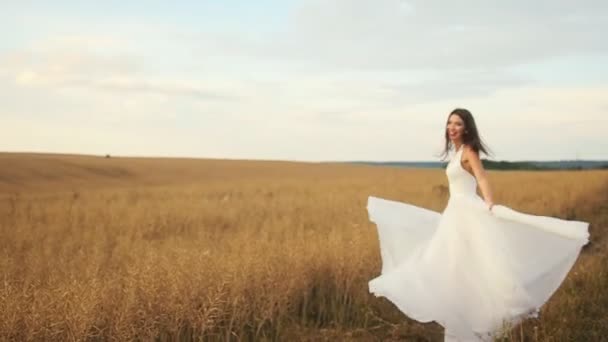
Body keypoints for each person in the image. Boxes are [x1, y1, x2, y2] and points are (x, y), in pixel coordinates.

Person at [367, 108, 590, 341]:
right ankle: (460, 329)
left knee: (468, 267)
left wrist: (490, 204)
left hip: (467, 212)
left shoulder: (468, 151)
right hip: (455, 214)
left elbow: (481, 177)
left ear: (467, 128)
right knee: (453, 269)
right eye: (449, 123)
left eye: (458, 124)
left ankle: (471, 326)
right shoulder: (455, 153)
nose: (452, 127)